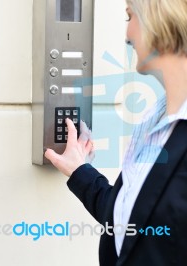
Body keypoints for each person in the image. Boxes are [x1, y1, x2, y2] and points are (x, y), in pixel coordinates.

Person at [44, 0, 187, 265]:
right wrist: (80, 171)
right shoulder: (154, 121)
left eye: (130, 16)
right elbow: (132, 222)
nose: (127, 34)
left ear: (159, 19)